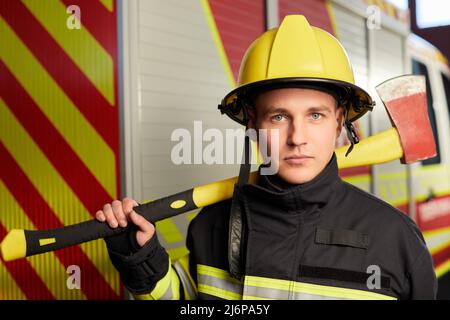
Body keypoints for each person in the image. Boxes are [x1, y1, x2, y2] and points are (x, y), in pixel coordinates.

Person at [96, 15, 437, 300]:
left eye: (315, 115)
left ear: (340, 123)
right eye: (278, 117)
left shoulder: (396, 239)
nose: (297, 138)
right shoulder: (211, 226)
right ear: (252, 124)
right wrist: (143, 259)